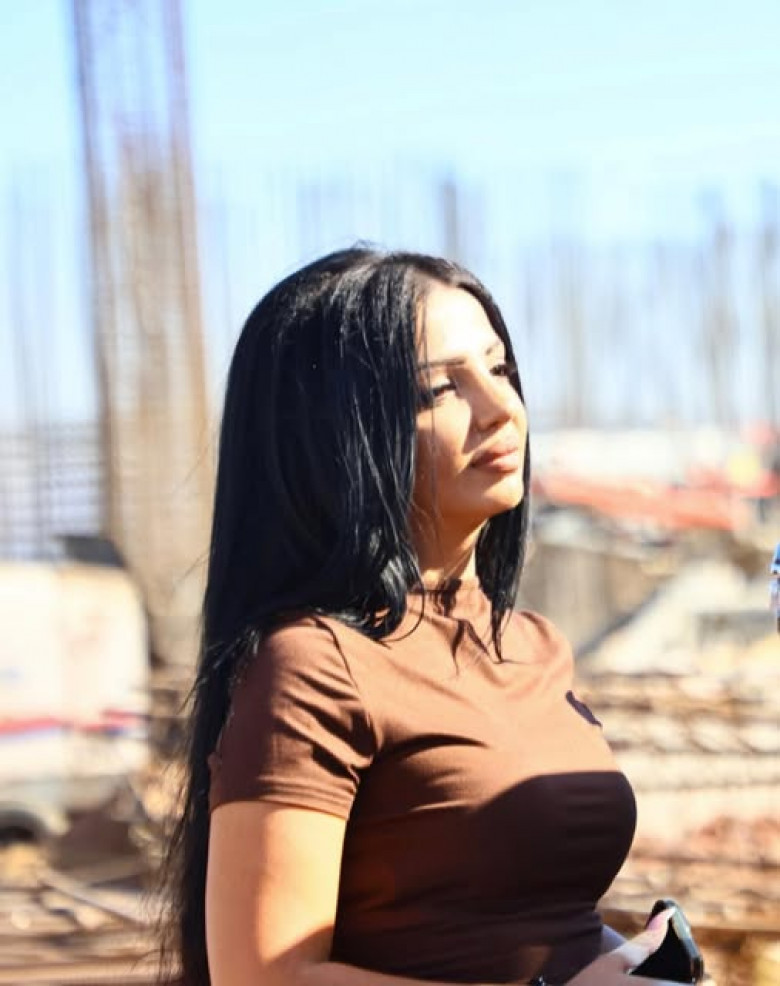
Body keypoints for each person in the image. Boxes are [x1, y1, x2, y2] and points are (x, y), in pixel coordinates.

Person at [161, 248, 685, 986]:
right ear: (335, 434)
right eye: (442, 388)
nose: (502, 409)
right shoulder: (316, 665)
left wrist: (631, 960)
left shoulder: (532, 647)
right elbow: (265, 975)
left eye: (499, 369)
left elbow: (535, 922)